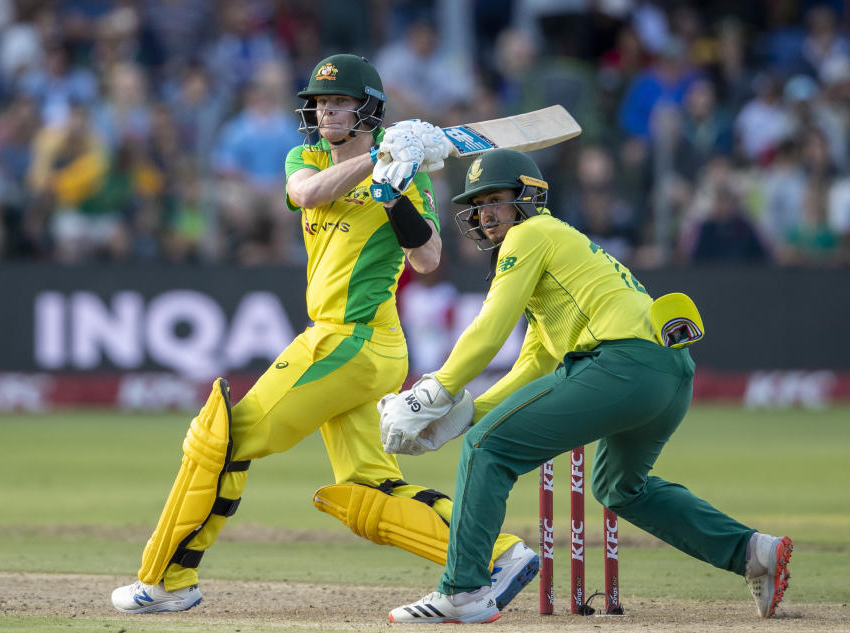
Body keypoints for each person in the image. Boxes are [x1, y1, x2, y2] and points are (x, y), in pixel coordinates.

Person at [110, 54, 539, 614]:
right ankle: (498, 556)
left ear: (368, 109)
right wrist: (379, 162)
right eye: (318, 102)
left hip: (355, 339)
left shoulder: (402, 172)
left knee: (223, 439)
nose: (325, 111)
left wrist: (395, 189)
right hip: (352, 345)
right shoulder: (307, 156)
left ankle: (166, 581)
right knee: (367, 492)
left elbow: (429, 257)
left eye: (338, 102)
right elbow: (308, 194)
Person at [381, 148, 793, 624]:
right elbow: (535, 361)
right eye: (477, 204)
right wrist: (469, 412)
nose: (485, 213)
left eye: (496, 199)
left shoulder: (530, 234)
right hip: (668, 372)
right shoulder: (555, 249)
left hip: (622, 363)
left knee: (486, 449)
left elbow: (490, 326)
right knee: (619, 487)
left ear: (528, 199)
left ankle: (463, 590)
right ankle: (751, 552)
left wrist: (435, 390)